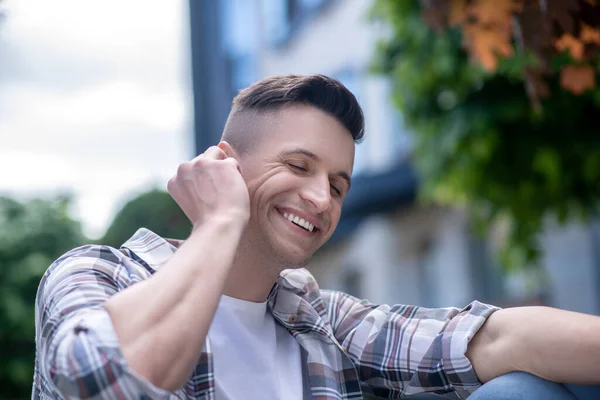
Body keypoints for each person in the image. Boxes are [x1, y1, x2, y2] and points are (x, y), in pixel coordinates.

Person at [32, 74, 600, 400]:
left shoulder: (320, 320)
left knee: (520, 392)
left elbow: (491, 340)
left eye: (337, 182)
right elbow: (103, 378)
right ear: (223, 165)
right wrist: (221, 223)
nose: (322, 199)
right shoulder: (95, 274)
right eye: (298, 166)